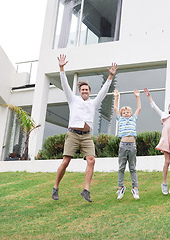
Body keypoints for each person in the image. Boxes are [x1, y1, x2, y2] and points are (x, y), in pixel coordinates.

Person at [52, 54, 118, 202]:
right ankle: (56, 186)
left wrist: (110, 77)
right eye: (82, 89)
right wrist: (61, 68)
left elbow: (103, 92)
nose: (85, 91)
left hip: (87, 136)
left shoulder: (93, 103)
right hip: (73, 134)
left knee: (91, 160)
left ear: (89, 91)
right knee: (66, 161)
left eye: (87, 89)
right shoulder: (72, 99)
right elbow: (65, 85)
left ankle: (86, 190)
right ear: (79, 91)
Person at [113, 89, 141, 200]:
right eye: (123, 113)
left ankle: (135, 188)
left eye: (127, 112)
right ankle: (121, 188)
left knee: (133, 168)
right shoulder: (120, 119)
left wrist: (137, 97)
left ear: (130, 113)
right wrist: (116, 97)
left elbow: (139, 108)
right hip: (123, 145)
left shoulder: (133, 118)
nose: (125, 114)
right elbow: (115, 108)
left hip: (132, 145)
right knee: (121, 167)